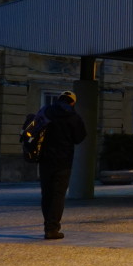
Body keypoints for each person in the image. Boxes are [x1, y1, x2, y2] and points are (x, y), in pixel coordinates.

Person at [37, 90, 87, 239]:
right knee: (58, 195)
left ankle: (47, 225)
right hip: (63, 161)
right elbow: (79, 137)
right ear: (72, 102)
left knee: (46, 194)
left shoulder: (45, 111)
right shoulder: (73, 117)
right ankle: (52, 228)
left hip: (45, 159)